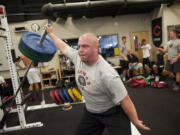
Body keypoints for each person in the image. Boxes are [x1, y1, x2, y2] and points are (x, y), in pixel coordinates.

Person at [45, 25, 150, 135]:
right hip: (91, 113)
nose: (80, 50)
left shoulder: (107, 74)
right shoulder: (77, 57)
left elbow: (125, 100)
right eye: (79, 46)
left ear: (96, 48)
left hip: (113, 112)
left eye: (85, 46)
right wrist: (50, 34)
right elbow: (63, 47)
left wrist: (135, 120)